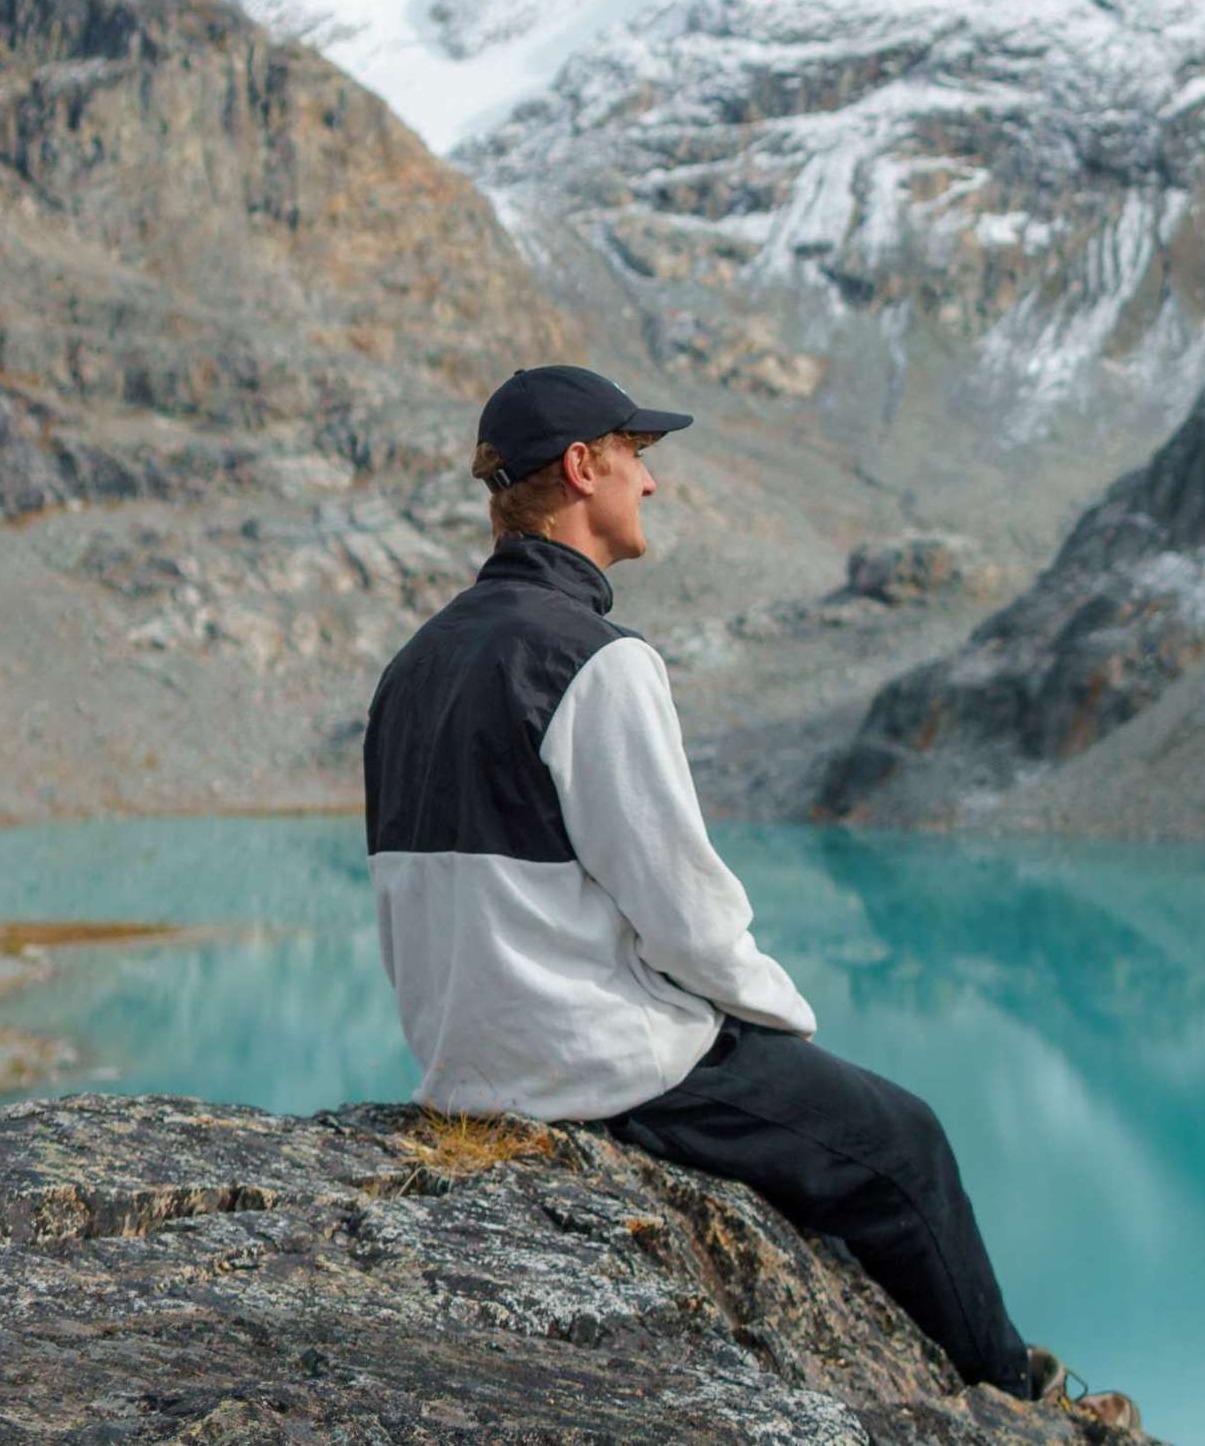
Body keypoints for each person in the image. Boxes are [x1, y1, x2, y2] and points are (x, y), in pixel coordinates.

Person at [363, 364, 1140, 1433]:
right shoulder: (596, 659)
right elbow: (682, 908)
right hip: (587, 1065)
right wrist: (779, 1025)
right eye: (636, 457)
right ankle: (1016, 1400)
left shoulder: (413, 663)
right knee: (902, 1143)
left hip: (462, 1061)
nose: (651, 483)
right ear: (582, 468)